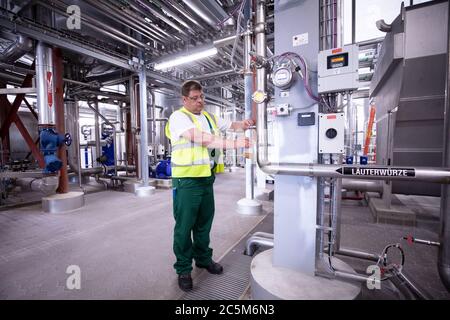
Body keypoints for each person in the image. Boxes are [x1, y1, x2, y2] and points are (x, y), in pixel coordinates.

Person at [165, 80, 253, 292]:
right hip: (186, 180)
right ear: (184, 99)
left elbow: (232, 125)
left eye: (202, 97)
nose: (200, 101)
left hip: (207, 179)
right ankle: (184, 269)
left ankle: (203, 259)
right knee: (185, 227)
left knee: (204, 224)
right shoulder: (178, 117)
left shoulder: (209, 116)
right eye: (194, 98)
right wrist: (235, 144)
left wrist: (246, 123)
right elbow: (201, 139)